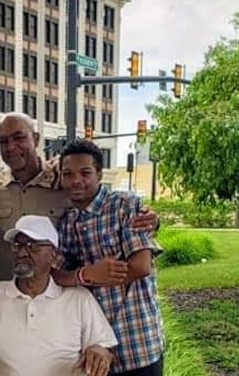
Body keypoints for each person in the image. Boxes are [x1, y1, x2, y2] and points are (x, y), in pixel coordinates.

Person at [0, 113, 160, 281]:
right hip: (5, 296)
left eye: (19, 138)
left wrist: (150, 219)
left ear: (36, 140)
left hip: (58, 300)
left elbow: (104, 203)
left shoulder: (64, 180)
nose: (11, 147)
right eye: (3, 141)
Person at [0, 215, 118, 376]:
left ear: (53, 255)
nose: (22, 253)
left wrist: (99, 353)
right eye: (18, 246)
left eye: (33, 247)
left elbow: (105, 349)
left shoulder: (79, 299)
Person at [56, 139, 165, 376]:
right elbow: (56, 276)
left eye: (85, 173)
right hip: (94, 349)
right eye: (68, 174)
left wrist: (93, 277)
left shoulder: (125, 206)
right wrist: (86, 274)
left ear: (99, 174)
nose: (76, 180)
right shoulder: (67, 223)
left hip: (137, 341)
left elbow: (141, 266)